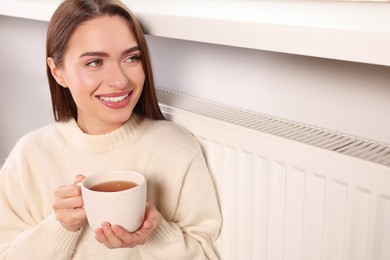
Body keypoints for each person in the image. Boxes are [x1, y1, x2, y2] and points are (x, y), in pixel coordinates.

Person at [0, 0, 221, 259]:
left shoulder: (176, 149)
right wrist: (59, 227)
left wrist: (155, 233)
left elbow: (203, 254)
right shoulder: (30, 155)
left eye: (131, 58)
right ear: (57, 71)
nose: (120, 80)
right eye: (94, 62)